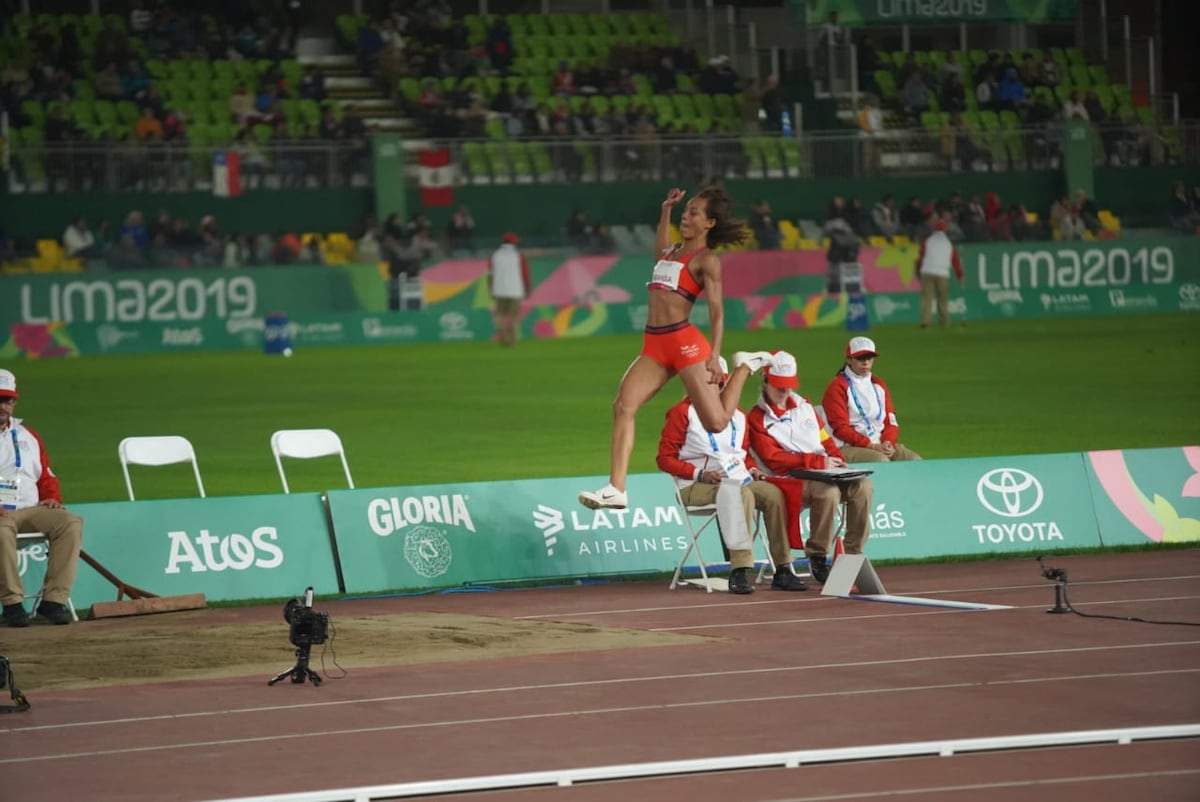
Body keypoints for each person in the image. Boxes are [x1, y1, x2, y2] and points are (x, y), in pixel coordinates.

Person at [578, 186, 777, 510]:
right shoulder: (670, 253)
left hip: (684, 343)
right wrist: (665, 211)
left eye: (694, 213)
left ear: (709, 223)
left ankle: (742, 367)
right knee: (623, 406)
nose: (687, 216)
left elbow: (717, 310)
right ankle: (617, 488)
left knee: (715, 422)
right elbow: (658, 252)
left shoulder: (707, 260)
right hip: (654, 345)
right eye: (686, 212)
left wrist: (715, 355)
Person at [656, 358, 807, 594]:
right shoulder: (682, 413)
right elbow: (664, 459)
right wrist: (700, 473)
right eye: (707, 384)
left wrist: (752, 468)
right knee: (740, 494)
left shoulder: (738, 416)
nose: (714, 389)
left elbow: (742, 454)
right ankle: (739, 569)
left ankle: (783, 567)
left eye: (720, 384)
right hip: (695, 485)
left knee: (774, 494)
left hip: (736, 479)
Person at [747, 352, 873, 584]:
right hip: (787, 480)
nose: (785, 392)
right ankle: (818, 555)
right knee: (828, 492)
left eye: (788, 386)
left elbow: (824, 438)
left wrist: (837, 459)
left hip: (822, 472)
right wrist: (817, 462)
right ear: (765, 383)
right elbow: (773, 459)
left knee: (863, 486)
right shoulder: (756, 418)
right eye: (779, 387)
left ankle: (852, 558)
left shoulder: (804, 406)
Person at [0, 369, 82, 627]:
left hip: (31, 508)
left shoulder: (29, 436)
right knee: (1, 530)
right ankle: (12, 604)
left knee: (70, 522)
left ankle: (53, 600)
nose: (2, 406)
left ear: (14, 402)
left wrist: (51, 498)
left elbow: (45, 474)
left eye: (7, 400)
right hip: (2, 515)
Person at [821, 337, 922, 464]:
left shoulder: (878, 384)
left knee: (915, 460)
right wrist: (871, 446)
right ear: (849, 360)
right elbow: (841, 429)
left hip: (879, 442)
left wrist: (888, 442)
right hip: (848, 446)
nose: (866, 363)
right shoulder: (837, 386)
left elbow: (890, 420)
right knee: (880, 461)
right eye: (860, 358)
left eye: (869, 358)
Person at [916, 220, 964, 328]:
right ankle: (944, 322)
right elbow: (955, 261)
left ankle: (925, 322)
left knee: (926, 298)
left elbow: (921, 257)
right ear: (945, 230)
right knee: (942, 299)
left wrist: (918, 271)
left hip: (927, 272)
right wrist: (960, 275)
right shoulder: (948, 244)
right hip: (943, 274)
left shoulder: (928, 241)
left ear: (934, 229)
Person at [488, 232, 530, 347]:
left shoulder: (494, 255)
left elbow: (490, 274)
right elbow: (525, 274)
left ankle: (503, 336)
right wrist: (528, 288)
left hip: (499, 290)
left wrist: (491, 289)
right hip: (515, 290)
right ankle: (512, 339)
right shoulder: (519, 255)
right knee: (513, 315)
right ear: (513, 242)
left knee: (500, 315)